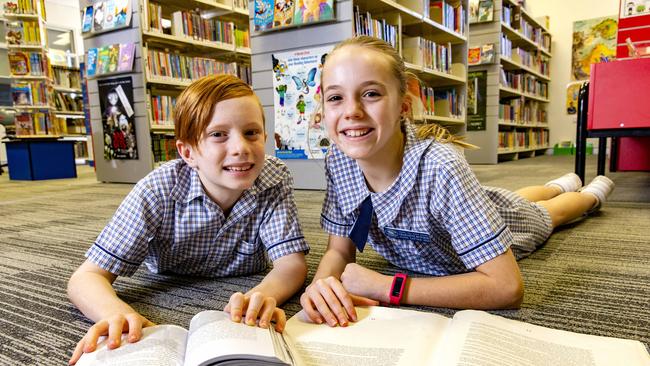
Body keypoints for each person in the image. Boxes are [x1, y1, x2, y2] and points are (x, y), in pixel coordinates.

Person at [299, 36, 615, 327]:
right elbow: (339, 251)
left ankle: (589, 192)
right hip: (469, 209)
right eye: (336, 97)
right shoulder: (339, 163)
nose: (352, 111)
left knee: (547, 214)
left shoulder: (442, 167)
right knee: (511, 197)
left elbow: (507, 288)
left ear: (403, 105)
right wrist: (321, 286)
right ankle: (559, 182)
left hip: (505, 221)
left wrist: (388, 287)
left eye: (370, 94)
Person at [68, 74, 309, 364]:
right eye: (219, 134)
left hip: (245, 279)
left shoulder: (273, 176)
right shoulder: (158, 188)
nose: (241, 148)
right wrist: (115, 312)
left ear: (265, 138)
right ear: (187, 152)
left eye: (251, 133)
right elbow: (86, 277)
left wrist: (259, 296)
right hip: (171, 278)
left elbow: (291, 264)